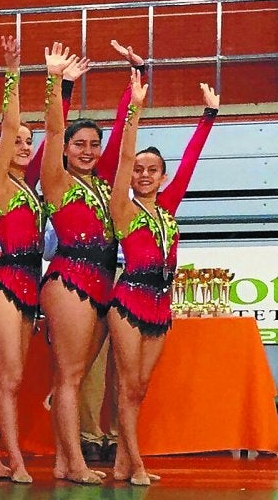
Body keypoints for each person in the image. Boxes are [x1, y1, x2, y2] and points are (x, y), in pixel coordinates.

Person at [39, 40, 144, 484]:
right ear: (65, 149)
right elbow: (53, 131)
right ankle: (75, 463)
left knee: (77, 377)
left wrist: (135, 85)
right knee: (70, 375)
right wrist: (58, 86)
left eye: (93, 145)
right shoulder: (57, 180)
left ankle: (64, 461)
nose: (86, 150)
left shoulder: (103, 184)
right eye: (78, 144)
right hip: (70, 279)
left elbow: (123, 141)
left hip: (103, 280)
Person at [108, 69, 219, 485]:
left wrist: (208, 116)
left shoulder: (168, 207)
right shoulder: (123, 207)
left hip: (160, 303)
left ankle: (123, 462)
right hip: (128, 301)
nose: (143, 174)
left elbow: (189, 162)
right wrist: (134, 111)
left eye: (152, 169)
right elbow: (123, 158)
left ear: (162, 176)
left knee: (140, 388)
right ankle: (135, 463)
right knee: (128, 384)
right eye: (138, 169)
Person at [0, 36, 43, 483]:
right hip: (5, 284)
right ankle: (15, 458)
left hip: (30, 285)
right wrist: (12, 73)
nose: (23, 144)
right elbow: (10, 122)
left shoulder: (29, 185)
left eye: (28, 141)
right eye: (16, 139)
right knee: (12, 376)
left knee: (8, 378)